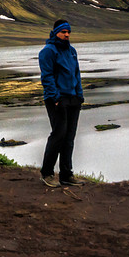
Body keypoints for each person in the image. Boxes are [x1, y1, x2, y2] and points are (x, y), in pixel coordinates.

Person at [38, 19, 85, 188]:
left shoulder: (72, 51)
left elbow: (77, 74)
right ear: (56, 32)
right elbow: (47, 77)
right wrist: (54, 97)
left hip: (73, 99)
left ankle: (66, 174)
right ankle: (47, 173)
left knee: (69, 138)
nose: (67, 35)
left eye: (68, 32)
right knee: (58, 135)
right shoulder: (48, 51)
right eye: (63, 32)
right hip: (57, 100)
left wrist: (79, 95)